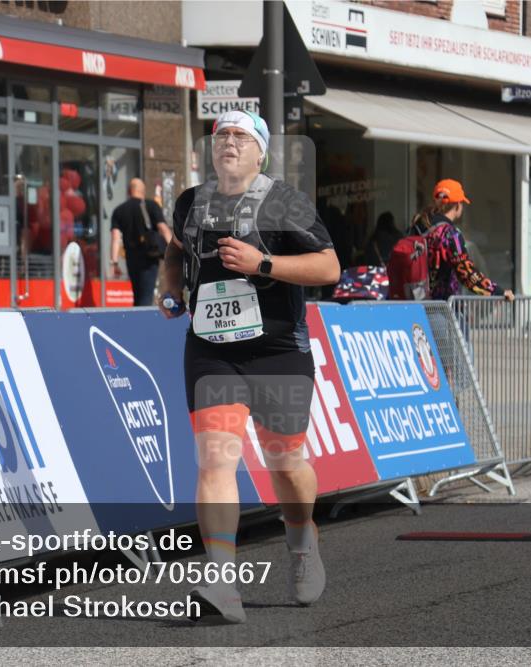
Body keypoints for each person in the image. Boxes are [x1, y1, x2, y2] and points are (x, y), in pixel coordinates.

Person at [158, 110, 340, 623]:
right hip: (212, 350)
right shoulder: (191, 202)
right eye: (221, 136)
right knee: (215, 459)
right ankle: (222, 582)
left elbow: (329, 266)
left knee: (285, 463)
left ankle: (302, 541)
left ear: (261, 152)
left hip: (278, 351)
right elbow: (175, 251)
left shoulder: (284, 201)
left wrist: (263, 264)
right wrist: (170, 288)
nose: (229, 143)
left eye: (241, 136)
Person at [408, 179, 514, 302]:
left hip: (412, 302)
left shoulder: (417, 226)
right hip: (439, 305)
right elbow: (466, 274)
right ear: (458, 205)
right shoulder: (450, 234)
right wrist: (497, 292)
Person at [109, 178, 171, 306]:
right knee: (146, 296)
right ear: (143, 191)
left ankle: (137, 315)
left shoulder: (119, 210)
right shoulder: (151, 206)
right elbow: (164, 229)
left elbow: (115, 237)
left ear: (129, 191)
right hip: (149, 257)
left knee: (137, 294)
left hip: (131, 258)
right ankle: (142, 318)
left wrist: (114, 263)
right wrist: (174, 252)